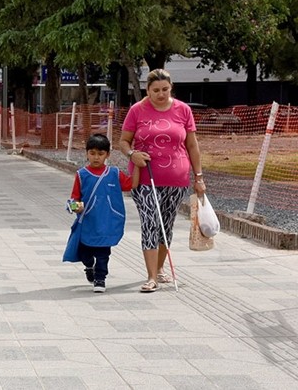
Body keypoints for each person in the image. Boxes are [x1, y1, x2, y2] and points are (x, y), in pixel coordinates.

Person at [119, 69, 205, 293]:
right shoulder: (137, 110)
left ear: (171, 87)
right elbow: (123, 142)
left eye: (165, 89)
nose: (161, 94)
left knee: (166, 226)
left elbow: (192, 146)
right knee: (150, 222)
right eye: (155, 90)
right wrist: (131, 155)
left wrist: (199, 177)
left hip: (177, 178)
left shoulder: (183, 110)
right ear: (147, 90)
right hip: (145, 176)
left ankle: (158, 269)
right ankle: (151, 277)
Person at [63, 134, 139, 293]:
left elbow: (132, 184)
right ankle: (89, 265)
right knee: (85, 253)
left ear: (107, 155)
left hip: (107, 223)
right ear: (86, 153)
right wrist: (75, 207)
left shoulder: (115, 173)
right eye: (92, 153)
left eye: (100, 154)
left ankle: (100, 278)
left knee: (103, 253)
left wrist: (137, 164)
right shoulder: (81, 174)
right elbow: (74, 198)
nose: (96, 157)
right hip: (88, 223)